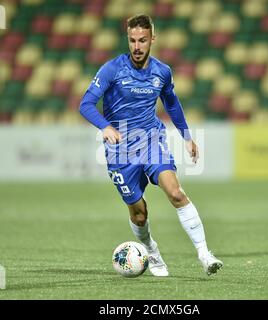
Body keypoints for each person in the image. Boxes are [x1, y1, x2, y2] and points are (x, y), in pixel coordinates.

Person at [79, 14, 223, 277]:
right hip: (120, 151)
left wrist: (186, 136)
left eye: (142, 40)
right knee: (139, 215)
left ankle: (204, 254)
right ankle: (151, 251)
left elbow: (171, 102)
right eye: (132, 40)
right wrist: (106, 126)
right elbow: (85, 104)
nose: (137, 46)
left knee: (176, 193)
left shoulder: (162, 71)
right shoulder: (112, 69)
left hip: (151, 142)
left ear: (152, 39)